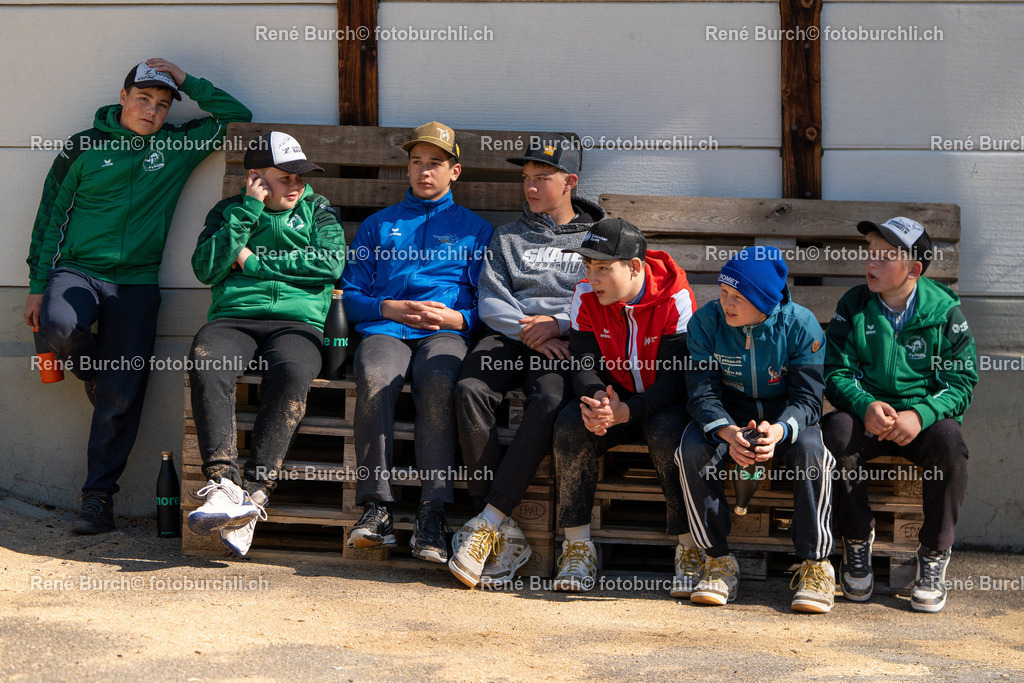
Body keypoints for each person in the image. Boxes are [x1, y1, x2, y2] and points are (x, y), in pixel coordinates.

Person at [24, 59, 252, 534]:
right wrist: (37, 285)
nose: (151, 111)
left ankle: (97, 500)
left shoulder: (176, 145)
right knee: (59, 329)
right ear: (123, 95)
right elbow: (51, 215)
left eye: (163, 105)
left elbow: (238, 119)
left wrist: (190, 81)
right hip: (77, 271)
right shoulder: (84, 146)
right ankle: (95, 374)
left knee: (123, 397)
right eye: (144, 99)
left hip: (138, 282)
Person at [449, 135, 606, 588]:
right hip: (513, 335)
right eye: (526, 178)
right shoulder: (508, 237)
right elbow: (489, 299)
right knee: (469, 389)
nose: (531, 187)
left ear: (569, 182)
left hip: (563, 340)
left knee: (551, 397)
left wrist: (558, 325)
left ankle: (488, 522)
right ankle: (495, 520)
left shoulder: (594, 239)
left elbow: (599, 295)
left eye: (543, 178)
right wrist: (528, 331)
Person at [185, 132, 345, 556]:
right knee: (206, 359)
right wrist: (245, 215)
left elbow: (329, 264)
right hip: (234, 318)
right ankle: (224, 484)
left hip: (297, 323)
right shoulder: (228, 211)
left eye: (301, 176)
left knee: (293, 371)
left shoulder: (318, 209)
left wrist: (252, 262)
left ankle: (255, 493)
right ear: (256, 177)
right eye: (285, 176)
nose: (296, 185)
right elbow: (206, 267)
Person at [341, 121, 493, 563]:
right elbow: (351, 294)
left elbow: (491, 301)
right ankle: (376, 508)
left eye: (436, 164)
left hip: (443, 333)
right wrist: (385, 308)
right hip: (387, 330)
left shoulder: (474, 230)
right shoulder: (379, 224)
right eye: (416, 162)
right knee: (374, 375)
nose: (425, 172)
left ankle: (432, 511)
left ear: (455, 172)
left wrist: (458, 316)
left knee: (442, 379)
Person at [822, 217, 977, 613]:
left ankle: (934, 553)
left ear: (914, 270)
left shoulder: (945, 312)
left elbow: (961, 382)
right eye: (870, 253)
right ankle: (856, 540)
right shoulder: (853, 306)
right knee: (836, 431)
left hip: (919, 424)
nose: (871, 263)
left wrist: (921, 415)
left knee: (950, 443)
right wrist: (864, 405)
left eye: (886, 257)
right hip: (869, 418)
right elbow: (836, 372)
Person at [677, 246, 835, 613]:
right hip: (728, 418)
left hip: (785, 419)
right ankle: (717, 561)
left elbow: (810, 400)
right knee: (690, 448)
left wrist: (779, 431)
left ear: (764, 301)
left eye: (738, 297)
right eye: (723, 293)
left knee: (814, 452)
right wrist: (727, 432)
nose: (726, 303)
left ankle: (815, 564)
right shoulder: (705, 323)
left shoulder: (801, 325)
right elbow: (701, 393)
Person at [550, 218, 696, 596]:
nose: (591, 277)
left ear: (634, 267)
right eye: (587, 266)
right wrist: (598, 399)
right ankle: (578, 547)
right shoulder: (584, 294)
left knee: (669, 434)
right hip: (613, 402)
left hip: (661, 403)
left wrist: (629, 411)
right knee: (570, 424)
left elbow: (676, 380)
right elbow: (581, 361)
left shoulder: (675, 296)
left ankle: (689, 548)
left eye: (602, 268)